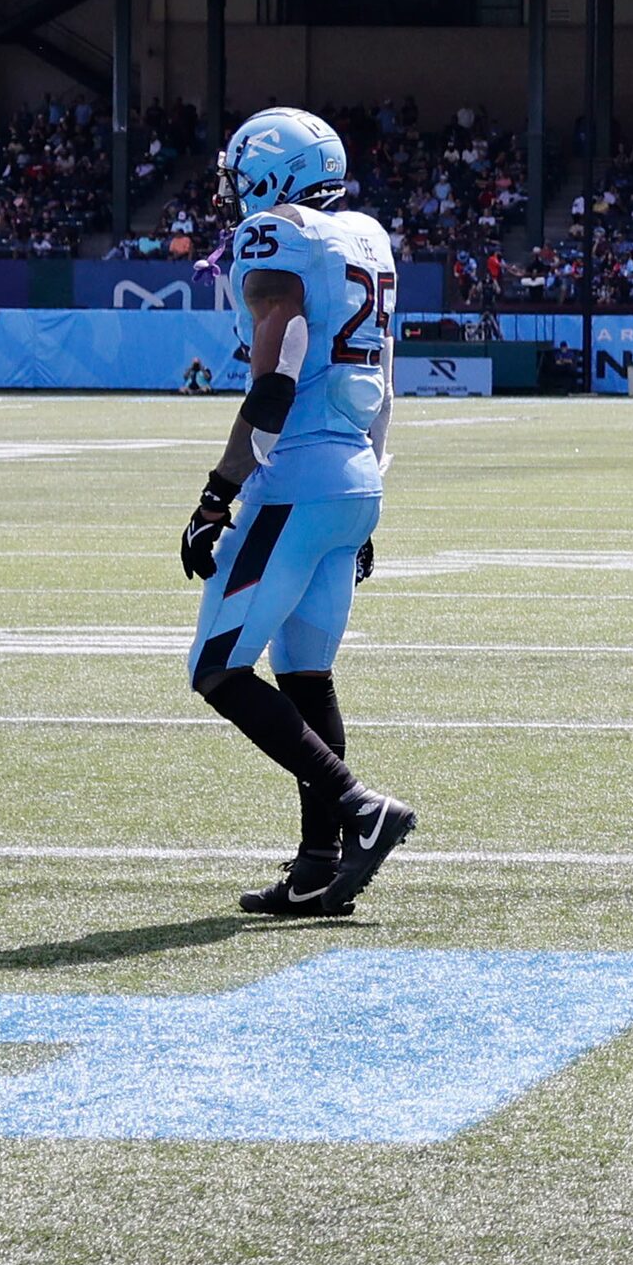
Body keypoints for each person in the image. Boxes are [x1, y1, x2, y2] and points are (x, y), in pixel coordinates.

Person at [180, 107, 413, 919]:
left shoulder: (277, 235)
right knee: (306, 677)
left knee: (216, 668)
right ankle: (318, 871)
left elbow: (277, 369)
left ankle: (358, 808)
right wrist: (366, 498)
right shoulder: (367, 238)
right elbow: (383, 375)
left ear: (268, 171)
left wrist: (220, 490)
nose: (233, 189)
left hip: (298, 479)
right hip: (355, 479)